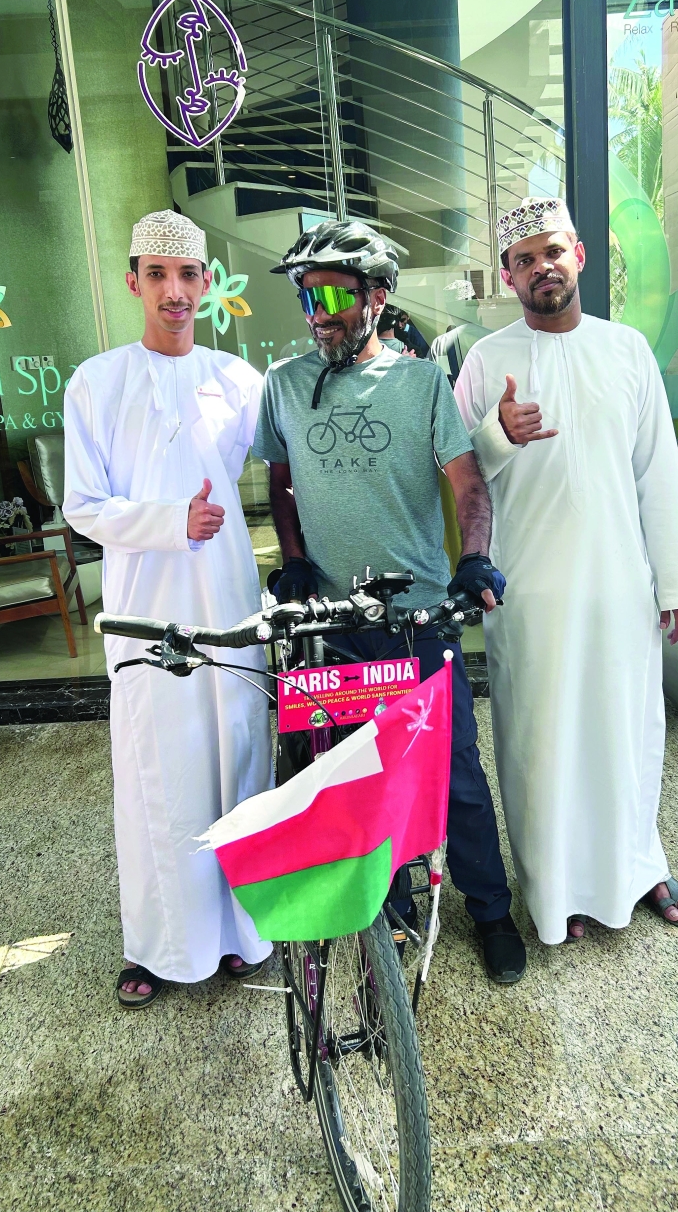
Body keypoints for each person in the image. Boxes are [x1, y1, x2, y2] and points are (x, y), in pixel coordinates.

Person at [252, 218, 526, 985]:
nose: (318, 312)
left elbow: (467, 482)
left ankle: (490, 908)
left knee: (456, 774)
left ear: (377, 295)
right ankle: (391, 908)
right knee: (350, 771)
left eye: (334, 293)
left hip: (417, 616)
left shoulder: (419, 383)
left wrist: (474, 559)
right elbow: (280, 479)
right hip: (331, 626)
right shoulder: (282, 385)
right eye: (307, 296)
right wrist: (295, 562)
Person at [453, 196, 678, 945]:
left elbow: (658, 472)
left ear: (580, 255)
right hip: (529, 594)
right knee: (540, 743)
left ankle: (638, 864)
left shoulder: (626, 350)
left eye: (553, 252)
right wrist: (498, 434)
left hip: (620, 585)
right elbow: (461, 473)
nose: (543, 268)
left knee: (627, 731)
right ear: (508, 275)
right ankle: (553, 885)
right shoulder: (486, 360)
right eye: (525, 260)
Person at [63, 209, 273, 1009]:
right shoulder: (98, 381)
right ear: (133, 282)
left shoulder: (239, 380)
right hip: (147, 611)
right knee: (160, 777)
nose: (174, 291)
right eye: (158, 274)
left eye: (188, 276)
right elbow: (83, 504)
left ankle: (242, 935)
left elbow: (295, 452)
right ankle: (159, 945)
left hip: (228, 604)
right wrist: (168, 524)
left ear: (208, 285)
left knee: (237, 765)